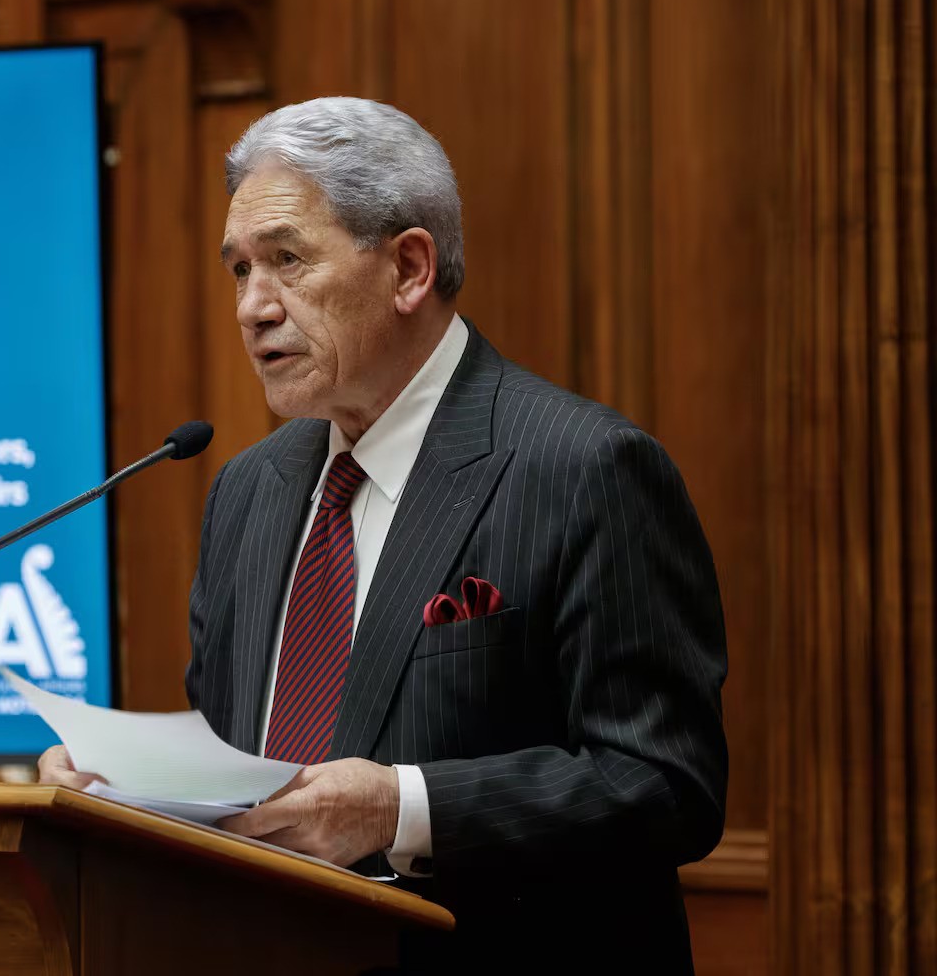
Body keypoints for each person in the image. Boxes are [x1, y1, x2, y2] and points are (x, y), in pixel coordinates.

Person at [39, 97, 727, 973]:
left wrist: (402, 808)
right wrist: (119, 792)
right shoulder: (248, 491)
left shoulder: (584, 468)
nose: (253, 307)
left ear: (408, 268)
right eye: (240, 269)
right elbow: (233, 779)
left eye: (287, 260)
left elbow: (668, 784)